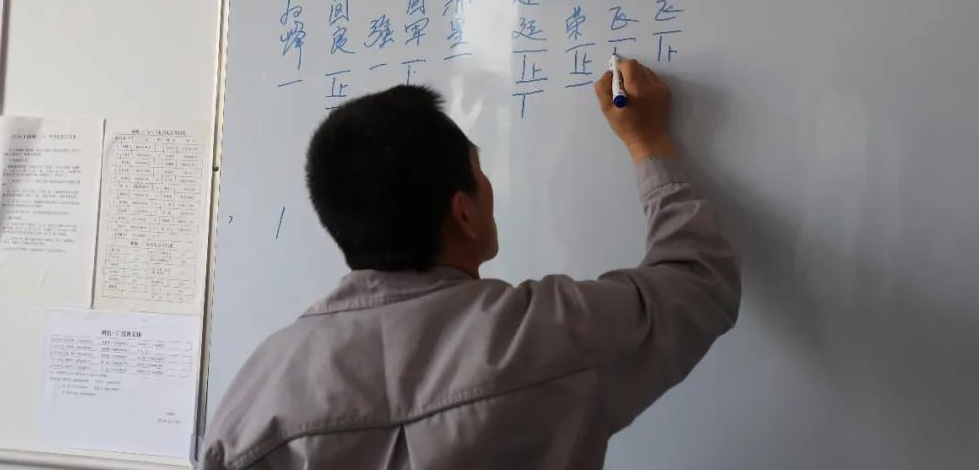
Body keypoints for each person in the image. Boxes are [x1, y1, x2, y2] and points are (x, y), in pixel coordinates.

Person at [200, 59, 740, 470]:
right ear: (462, 211)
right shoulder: (547, 333)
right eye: (481, 175)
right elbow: (699, 282)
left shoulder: (255, 396)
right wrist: (647, 142)